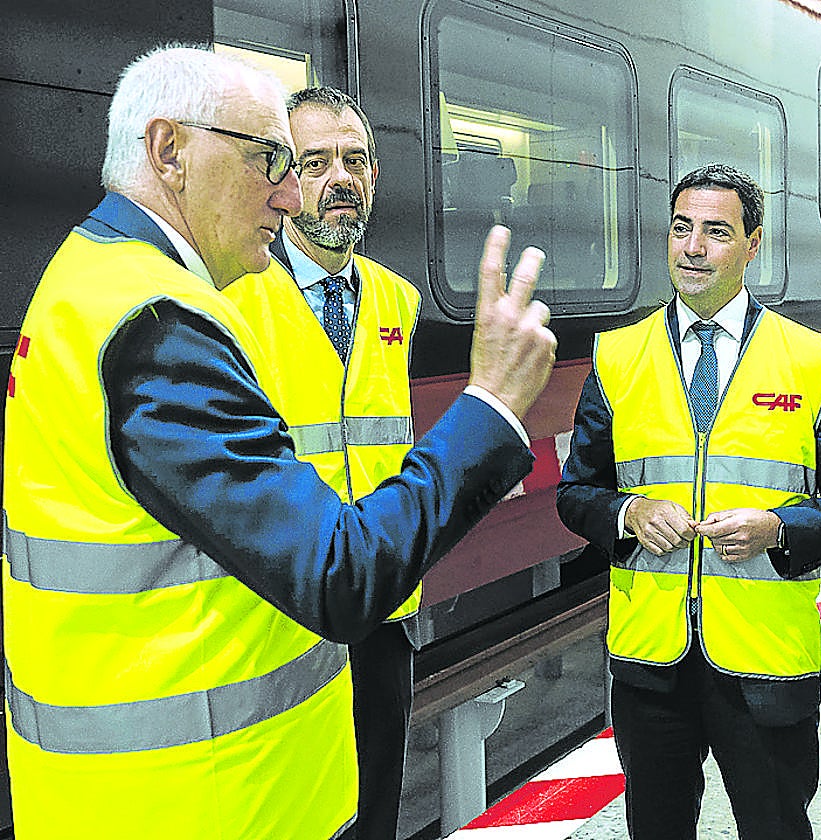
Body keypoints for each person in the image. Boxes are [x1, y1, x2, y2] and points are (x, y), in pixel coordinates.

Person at [2, 45, 556, 840]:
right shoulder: (163, 325)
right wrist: (492, 405)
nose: (293, 191)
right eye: (273, 160)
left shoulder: (91, 280)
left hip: (204, 756)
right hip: (205, 796)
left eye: (345, 161)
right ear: (169, 152)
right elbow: (336, 571)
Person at [557, 163, 821, 840]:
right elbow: (576, 493)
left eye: (715, 231)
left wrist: (779, 526)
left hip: (765, 663)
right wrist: (627, 514)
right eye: (682, 229)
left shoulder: (811, 360)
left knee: (775, 828)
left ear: (752, 244)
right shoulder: (618, 359)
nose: (693, 248)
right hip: (652, 664)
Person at [223, 85, 421, 840]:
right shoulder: (232, 302)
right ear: (281, 177)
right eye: (316, 161)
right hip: (280, 618)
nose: (341, 177)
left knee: (376, 815)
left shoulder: (397, 303)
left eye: (356, 159)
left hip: (382, 615)